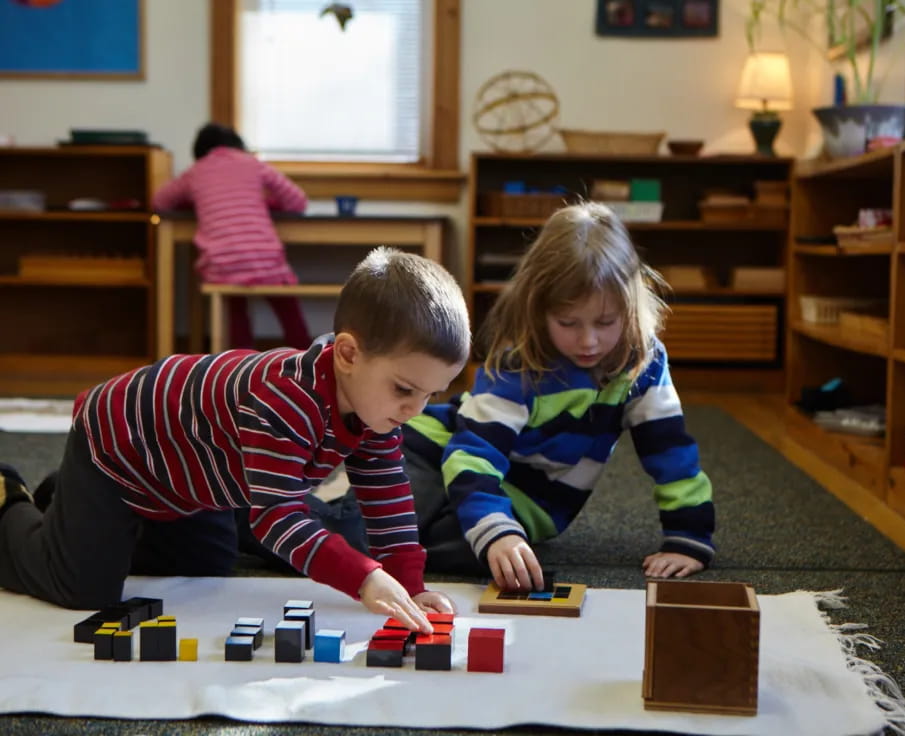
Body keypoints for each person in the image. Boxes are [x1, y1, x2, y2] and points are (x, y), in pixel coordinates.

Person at [0, 248, 470, 632]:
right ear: (347, 354)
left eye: (431, 395)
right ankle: (11, 502)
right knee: (83, 589)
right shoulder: (285, 399)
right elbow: (276, 519)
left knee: (204, 569)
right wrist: (365, 579)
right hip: (118, 448)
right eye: (405, 390)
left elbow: (388, 498)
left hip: (189, 478)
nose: (415, 410)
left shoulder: (377, 408)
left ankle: (69, 502)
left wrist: (410, 585)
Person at [403, 201, 715, 592]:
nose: (588, 341)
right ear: (539, 309)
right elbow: (474, 453)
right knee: (385, 521)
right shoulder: (518, 361)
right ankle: (336, 525)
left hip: (529, 500)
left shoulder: (643, 362)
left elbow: (669, 450)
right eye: (568, 323)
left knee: (484, 552)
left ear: (630, 309)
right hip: (436, 451)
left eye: (605, 322)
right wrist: (495, 529)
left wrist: (689, 536)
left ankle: (406, 534)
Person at [153, 122, 312, 350]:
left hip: (223, 263)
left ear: (200, 152)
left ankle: (242, 361)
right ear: (239, 146)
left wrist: (194, 202)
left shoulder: (196, 172)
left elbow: (160, 202)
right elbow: (297, 201)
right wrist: (267, 203)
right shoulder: (253, 164)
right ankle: (307, 354)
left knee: (235, 309)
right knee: (287, 306)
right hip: (265, 258)